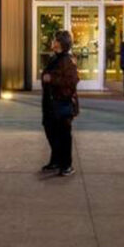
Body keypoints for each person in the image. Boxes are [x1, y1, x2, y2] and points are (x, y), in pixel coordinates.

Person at [41, 30, 80, 176]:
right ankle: (56, 160)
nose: (53, 41)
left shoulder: (68, 60)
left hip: (62, 104)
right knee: (51, 131)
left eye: (56, 39)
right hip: (50, 103)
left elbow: (72, 81)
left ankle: (67, 165)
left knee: (64, 135)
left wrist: (51, 79)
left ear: (62, 43)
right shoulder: (54, 58)